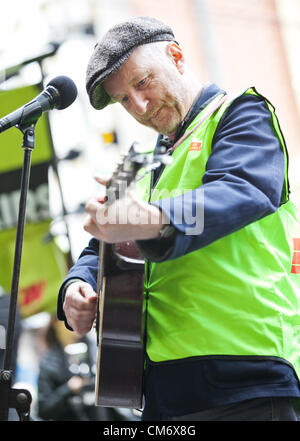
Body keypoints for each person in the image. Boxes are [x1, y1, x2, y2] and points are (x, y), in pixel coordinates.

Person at [57, 16, 300, 421]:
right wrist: (77, 285)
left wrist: (151, 218)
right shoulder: (138, 166)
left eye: (142, 82)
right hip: (161, 392)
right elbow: (100, 244)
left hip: (245, 378)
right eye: (123, 100)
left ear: (177, 56)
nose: (139, 106)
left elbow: (241, 191)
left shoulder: (240, 113)